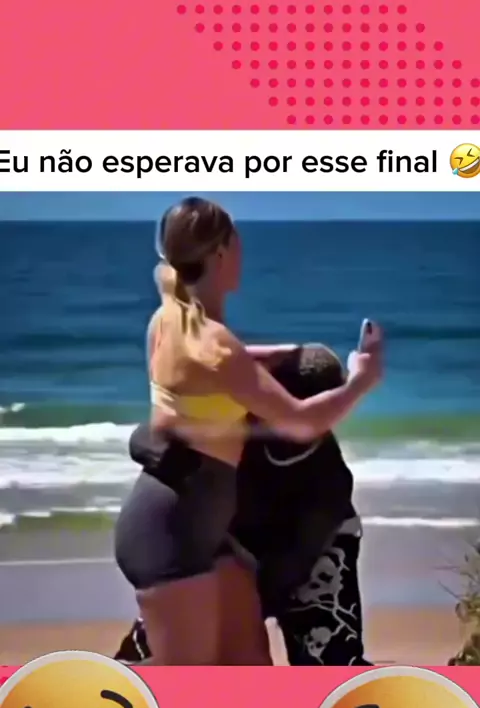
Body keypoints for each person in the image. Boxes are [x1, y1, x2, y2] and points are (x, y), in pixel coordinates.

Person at [114, 196, 382, 665]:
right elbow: (302, 421)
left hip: (204, 534)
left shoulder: (169, 320)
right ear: (220, 253)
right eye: (237, 242)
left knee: (249, 675)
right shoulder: (215, 348)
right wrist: (362, 380)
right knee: (184, 692)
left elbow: (216, 366)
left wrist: (287, 354)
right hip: (172, 542)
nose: (242, 252)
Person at [116, 344, 371, 666]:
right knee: (165, 648)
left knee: (331, 663)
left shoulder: (328, 480)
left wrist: (248, 610)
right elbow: (143, 438)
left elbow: (292, 562)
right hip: (225, 547)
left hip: (314, 551)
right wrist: (175, 454)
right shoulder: (233, 423)